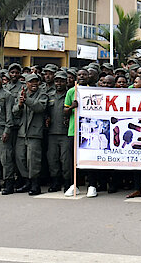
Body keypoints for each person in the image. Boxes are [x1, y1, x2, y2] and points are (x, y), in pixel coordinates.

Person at [13, 73, 48, 196]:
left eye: (36, 81)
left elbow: (40, 107)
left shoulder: (42, 94)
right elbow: (15, 112)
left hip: (34, 132)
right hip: (22, 132)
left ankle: (35, 184)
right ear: (26, 83)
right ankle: (26, 181)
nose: (34, 84)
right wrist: (20, 105)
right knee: (20, 158)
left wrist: (26, 100)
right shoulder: (21, 94)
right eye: (31, 82)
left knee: (33, 160)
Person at [63, 69, 89, 197]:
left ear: (88, 77)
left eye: (84, 74)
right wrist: (72, 107)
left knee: (89, 158)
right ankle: (74, 185)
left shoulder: (92, 90)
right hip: (74, 130)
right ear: (76, 77)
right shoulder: (71, 91)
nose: (82, 76)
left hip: (88, 131)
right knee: (72, 160)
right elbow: (65, 111)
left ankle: (91, 185)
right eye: (79, 75)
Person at [47, 71, 71, 193]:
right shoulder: (49, 95)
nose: (59, 83)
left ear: (66, 82)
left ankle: (67, 183)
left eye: (62, 81)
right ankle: (55, 182)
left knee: (66, 160)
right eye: (57, 81)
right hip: (52, 132)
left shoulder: (70, 95)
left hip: (65, 133)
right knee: (52, 159)